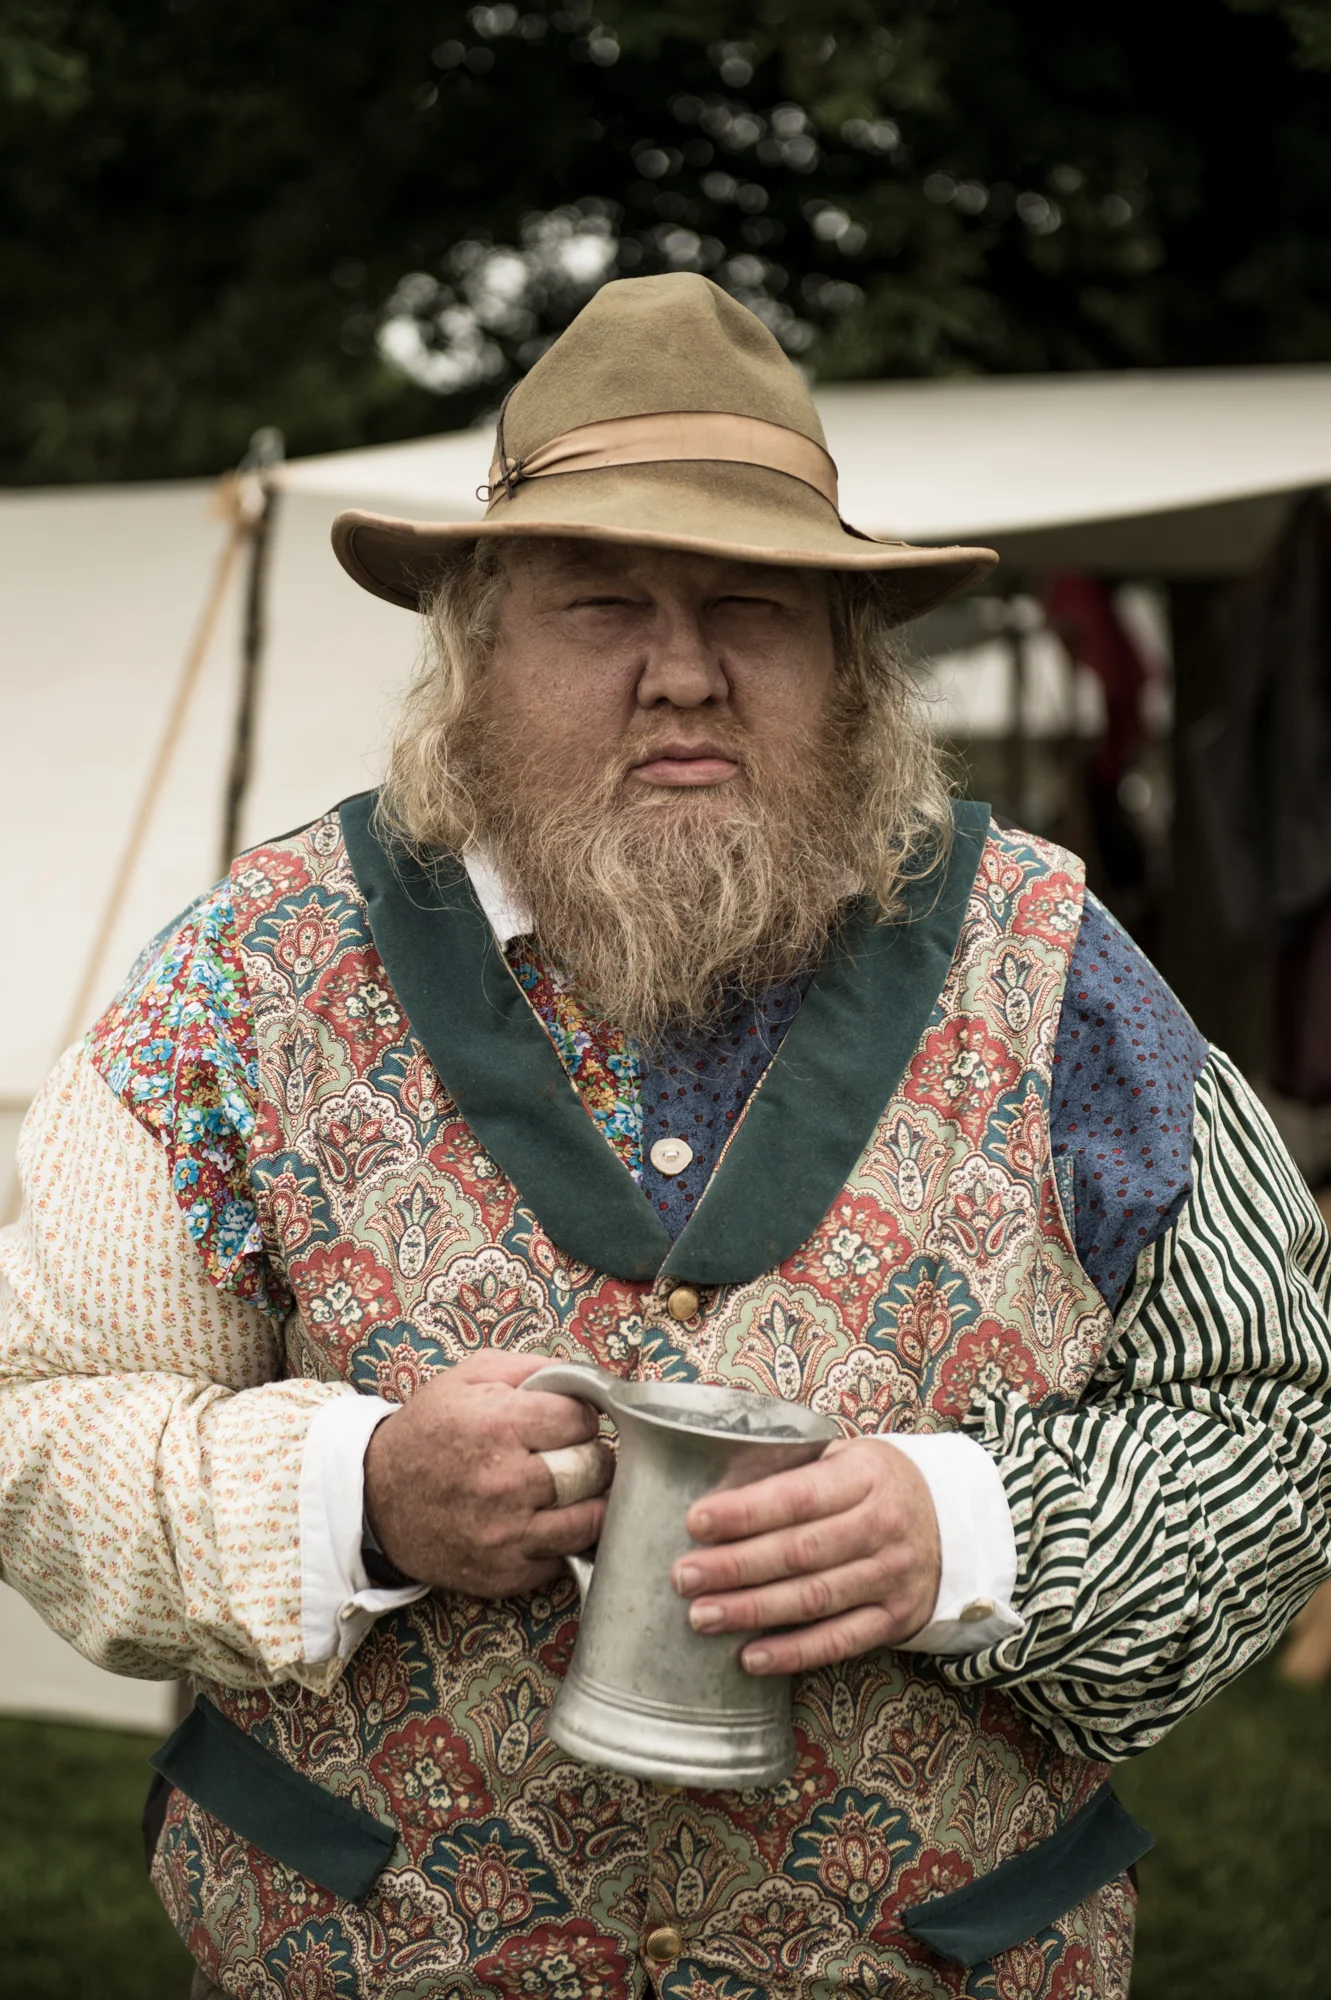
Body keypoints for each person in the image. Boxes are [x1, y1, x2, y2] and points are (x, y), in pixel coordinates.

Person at [2, 274, 1329, 2000]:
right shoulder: (246, 975)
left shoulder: (1055, 969)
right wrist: (360, 1494)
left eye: (752, 608)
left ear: (848, 658)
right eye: (603, 604)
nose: (682, 673)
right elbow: (45, 1418)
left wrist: (962, 1532)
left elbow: (1275, 1420)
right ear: (475, 644)